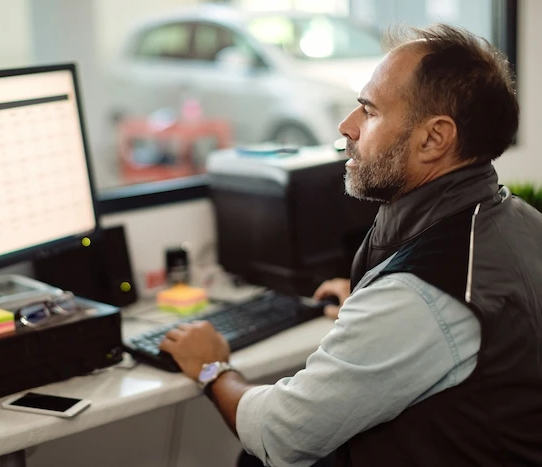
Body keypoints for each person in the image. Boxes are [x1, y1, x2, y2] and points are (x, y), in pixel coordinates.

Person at [159, 23, 542, 467]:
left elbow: (277, 435)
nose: (346, 127)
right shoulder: (516, 218)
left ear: (434, 138)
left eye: (369, 111)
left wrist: (213, 368)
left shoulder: (422, 297)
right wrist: (374, 305)